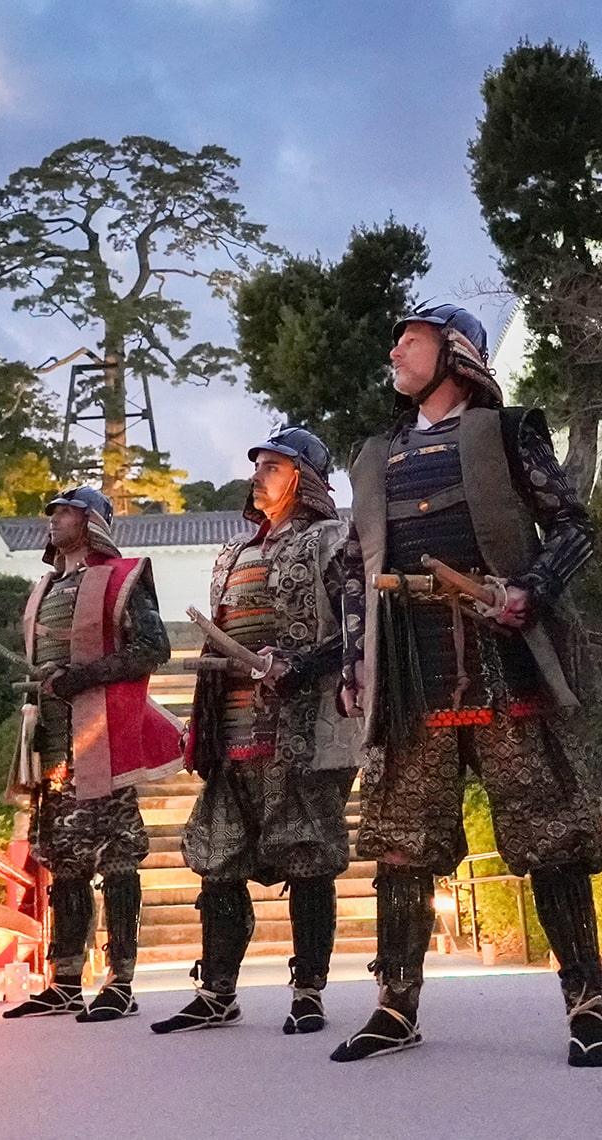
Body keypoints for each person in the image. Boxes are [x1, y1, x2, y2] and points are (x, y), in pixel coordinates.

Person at [330, 303, 602, 1068]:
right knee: (400, 844)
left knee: (551, 834)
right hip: (408, 672)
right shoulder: (373, 455)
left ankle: (586, 1006)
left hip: (503, 662)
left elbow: (573, 528)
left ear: (455, 353)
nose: (395, 350)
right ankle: (395, 1006)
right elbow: (351, 570)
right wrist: (356, 663)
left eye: (410, 339)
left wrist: (529, 589)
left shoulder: (509, 431)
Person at [151, 426, 363, 1036]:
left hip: (305, 726)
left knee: (308, 857)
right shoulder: (231, 555)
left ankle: (309, 992)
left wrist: (299, 665)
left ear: (305, 476)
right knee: (217, 860)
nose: (258, 475)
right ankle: (217, 991)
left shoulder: (334, 541)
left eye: (273, 465)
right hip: (231, 728)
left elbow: (357, 627)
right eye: (258, 466)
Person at [3, 486, 184, 1021]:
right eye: (53, 512)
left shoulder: (122, 579)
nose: (53, 519)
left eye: (64, 512)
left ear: (92, 522)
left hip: (103, 734)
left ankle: (121, 980)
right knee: (64, 861)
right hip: (52, 738)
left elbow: (153, 649)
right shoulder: (46, 585)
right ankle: (63, 980)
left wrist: (82, 676)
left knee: (118, 856)